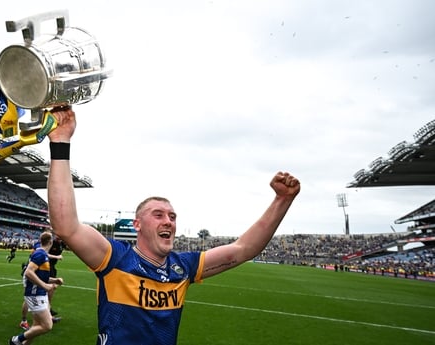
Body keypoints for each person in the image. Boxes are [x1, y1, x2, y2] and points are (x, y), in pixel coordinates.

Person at [45, 107, 301, 345]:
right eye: (158, 214)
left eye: (172, 216)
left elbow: (243, 249)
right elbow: (66, 226)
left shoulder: (184, 267)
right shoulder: (115, 258)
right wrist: (61, 142)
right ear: (138, 225)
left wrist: (282, 200)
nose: (168, 221)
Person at [9, 231, 63, 345]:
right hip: (35, 294)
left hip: (40, 293)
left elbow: (41, 276)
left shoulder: (43, 255)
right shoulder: (40, 254)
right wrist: (45, 286)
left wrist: (54, 280)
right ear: (51, 242)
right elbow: (29, 273)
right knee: (47, 326)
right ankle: (16, 340)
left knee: (36, 326)